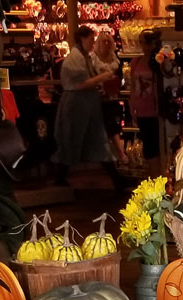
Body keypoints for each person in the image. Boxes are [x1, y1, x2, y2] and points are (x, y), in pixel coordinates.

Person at [53, 26, 127, 192]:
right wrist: (102, 77)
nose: (93, 43)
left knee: (96, 141)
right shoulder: (75, 58)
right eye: (91, 39)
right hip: (76, 106)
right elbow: (79, 84)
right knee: (73, 140)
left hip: (86, 106)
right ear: (82, 39)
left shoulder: (83, 57)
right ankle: (60, 177)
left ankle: (116, 179)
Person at [92, 31, 125, 164]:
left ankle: (118, 154)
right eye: (103, 41)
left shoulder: (115, 59)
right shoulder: (93, 59)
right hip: (98, 99)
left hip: (113, 97)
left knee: (113, 124)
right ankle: (118, 154)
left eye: (108, 41)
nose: (106, 44)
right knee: (107, 125)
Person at [129, 30, 161, 169]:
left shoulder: (158, 61)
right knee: (148, 146)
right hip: (142, 108)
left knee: (156, 144)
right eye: (141, 42)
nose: (143, 46)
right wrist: (132, 105)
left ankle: (159, 175)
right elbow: (132, 85)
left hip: (155, 108)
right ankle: (154, 176)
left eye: (145, 42)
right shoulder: (136, 62)